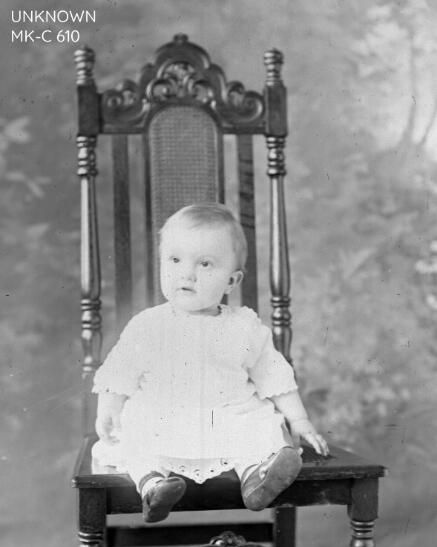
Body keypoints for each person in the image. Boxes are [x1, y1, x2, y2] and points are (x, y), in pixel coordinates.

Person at [92, 203, 328, 522]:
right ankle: (153, 485)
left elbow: (274, 376)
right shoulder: (147, 325)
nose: (187, 273)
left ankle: (256, 478)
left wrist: (299, 420)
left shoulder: (244, 326)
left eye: (204, 264)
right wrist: (108, 408)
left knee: (262, 428)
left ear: (232, 281)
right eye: (175, 260)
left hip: (229, 416)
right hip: (164, 418)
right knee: (136, 431)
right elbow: (118, 373)